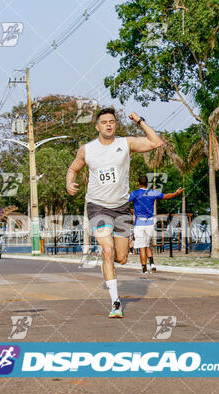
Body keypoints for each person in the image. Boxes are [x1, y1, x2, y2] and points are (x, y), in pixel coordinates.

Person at [66, 108, 164, 318]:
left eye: (112, 121)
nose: (108, 125)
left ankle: (111, 263)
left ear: (115, 125)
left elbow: (156, 142)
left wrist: (139, 120)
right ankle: (116, 303)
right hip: (97, 206)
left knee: (121, 258)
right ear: (97, 126)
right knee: (107, 251)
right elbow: (73, 168)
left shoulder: (125, 144)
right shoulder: (87, 150)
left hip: (120, 207)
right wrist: (69, 182)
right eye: (104, 122)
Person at [129, 176, 184, 273]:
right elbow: (166, 196)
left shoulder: (135, 194)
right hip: (150, 222)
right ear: (147, 183)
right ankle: (153, 265)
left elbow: (125, 202)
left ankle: (144, 269)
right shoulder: (153, 193)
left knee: (142, 247)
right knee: (147, 245)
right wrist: (176, 193)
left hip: (139, 223)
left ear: (138, 183)